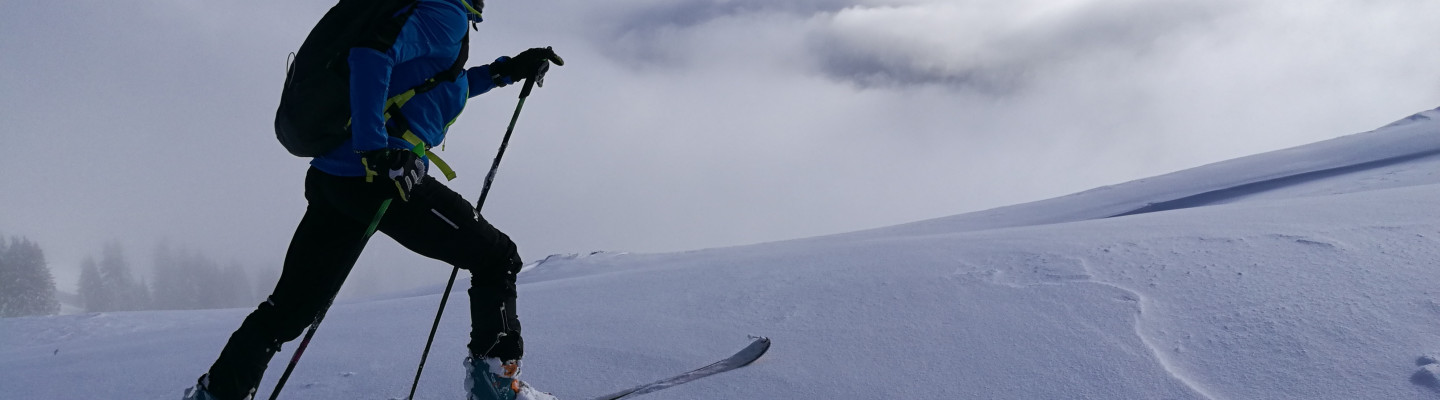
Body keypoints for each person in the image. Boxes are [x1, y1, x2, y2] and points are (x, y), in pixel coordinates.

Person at [184, 0, 563, 399]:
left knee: (288, 309)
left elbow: (439, 84)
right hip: (382, 179)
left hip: (336, 177)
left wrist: (505, 71)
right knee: (496, 257)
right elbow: (371, 53)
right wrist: (377, 151)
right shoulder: (444, 11)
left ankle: (218, 393)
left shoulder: (433, 13)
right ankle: (497, 389)